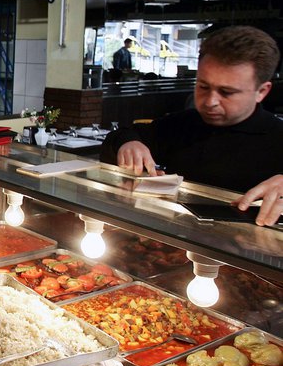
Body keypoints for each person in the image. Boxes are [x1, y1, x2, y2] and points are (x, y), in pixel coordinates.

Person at [101, 25, 283, 226]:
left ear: (262, 92)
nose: (210, 101)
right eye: (203, 87)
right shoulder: (183, 123)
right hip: (175, 242)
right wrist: (129, 143)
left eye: (227, 92)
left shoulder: (276, 137)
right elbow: (123, 135)